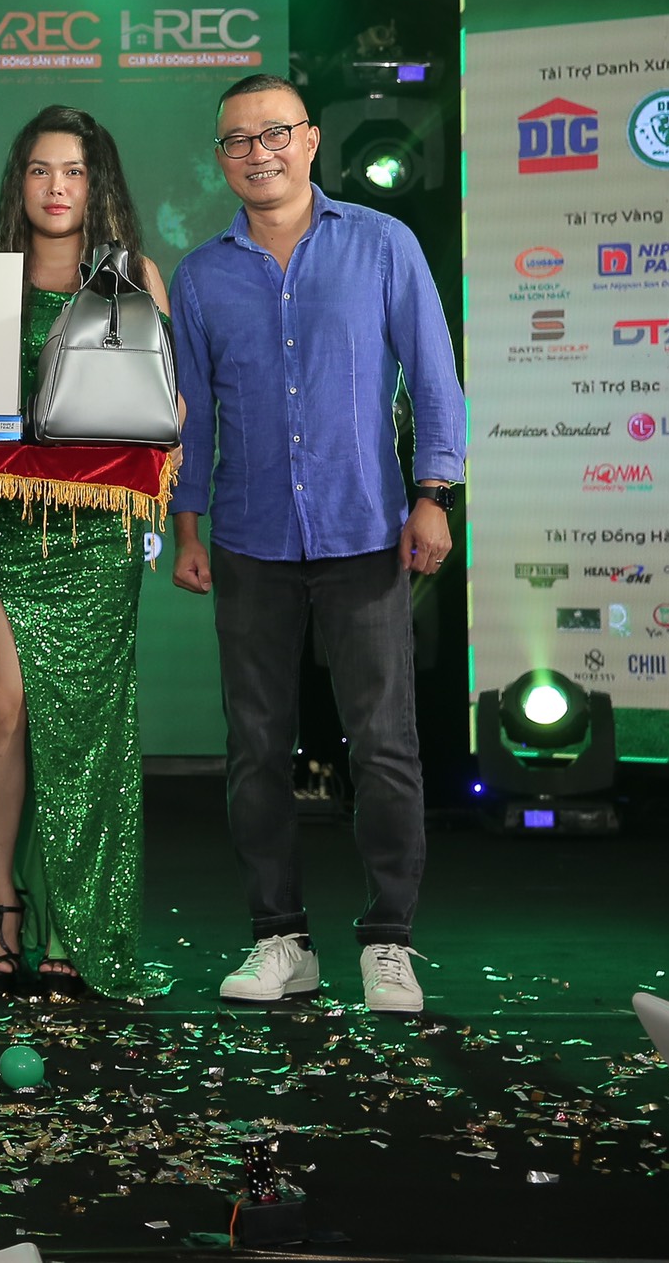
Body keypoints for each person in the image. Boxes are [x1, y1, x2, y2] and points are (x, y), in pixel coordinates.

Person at [169, 72, 464, 1015]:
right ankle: (279, 939)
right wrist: (186, 524)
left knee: (384, 743)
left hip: (366, 529)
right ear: (221, 160)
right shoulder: (201, 274)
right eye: (237, 141)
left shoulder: (382, 243)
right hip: (248, 537)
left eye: (274, 134)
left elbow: (433, 375)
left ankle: (389, 942)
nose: (257, 152)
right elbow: (192, 415)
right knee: (256, 746)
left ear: (309, 141)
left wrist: (434, 495)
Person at [0, 107, 169, 1001]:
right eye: (41, 170)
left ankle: (73, 923)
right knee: (1, 709)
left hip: (96, 536)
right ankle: (3, 906)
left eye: (74, 171)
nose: (56, 188)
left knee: (82, 730)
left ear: (97, 183)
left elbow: (167, 409)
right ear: (20, 182)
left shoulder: (131, 276)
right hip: (4, 531)